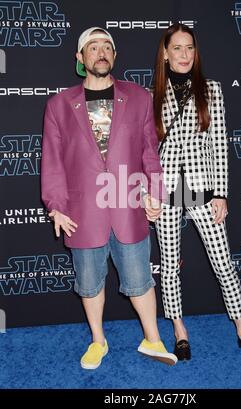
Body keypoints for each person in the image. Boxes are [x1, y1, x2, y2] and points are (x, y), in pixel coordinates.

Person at [41, 27, 177, 369]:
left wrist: (156, 193)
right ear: (80, 58)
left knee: (140, 280)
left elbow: (149, 153)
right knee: (89, 284)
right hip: (82, 211)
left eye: (107, 47)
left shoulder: (139, 97)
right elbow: (53, 160)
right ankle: (98, 342)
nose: (101, 53)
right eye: (93, 47)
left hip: (128, 204)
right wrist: (56, 206)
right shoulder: (58, 105)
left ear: (114, 56)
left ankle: (153, 339)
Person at [153, 23, 241, 362]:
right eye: (177, 48)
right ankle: (179, 331)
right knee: (169, 266)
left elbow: (219, 145)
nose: (184, 54)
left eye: (190, 48)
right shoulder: (151, 94)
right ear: (165, 53)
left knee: (223, 264)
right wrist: (151, 191)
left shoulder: (212, 89)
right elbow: (146, 149)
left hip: (205, 191)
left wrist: (221, 193)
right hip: (167, 192)